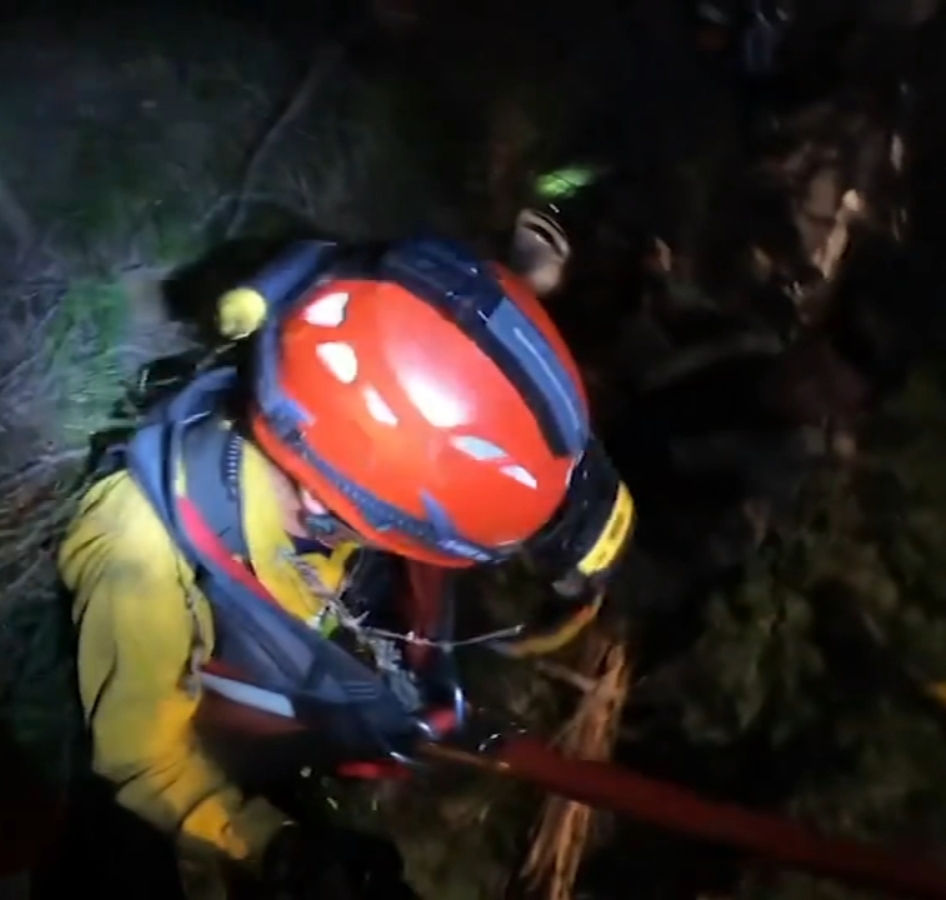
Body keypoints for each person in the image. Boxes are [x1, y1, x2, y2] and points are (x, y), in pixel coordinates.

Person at [56, 234, 637, 898]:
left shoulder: (344, 352)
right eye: (395, 534)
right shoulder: (139, 554)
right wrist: (273, 848)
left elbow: (443, 346)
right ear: (323, 495)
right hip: (217, 706)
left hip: (308, 619)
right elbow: (140, 760)